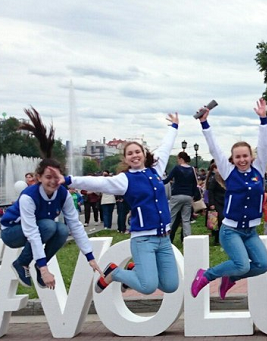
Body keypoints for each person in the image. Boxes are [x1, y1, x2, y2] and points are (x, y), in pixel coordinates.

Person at [66, 113, 181, 295]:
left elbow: (165, 147)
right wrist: (68, 180)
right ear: (126, 159)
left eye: (137, 152)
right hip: (143, 239)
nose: (135, 156)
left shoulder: (155, 170)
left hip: (164, 238)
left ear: (144, 154)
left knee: (171, 285)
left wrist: (174, 127)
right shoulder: (124, 179)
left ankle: (135, 269)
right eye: (130, 154)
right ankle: (116, 273)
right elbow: (97, 183)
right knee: (148, 287)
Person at [0, 108, 101, 289]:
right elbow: (32, 232)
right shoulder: (29, 197)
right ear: (38, 178)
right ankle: (21, 263)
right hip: (11, 232)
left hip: (37, 229)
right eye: (48, 177)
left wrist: (90, 257)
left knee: (62, 230)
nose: (52, 182)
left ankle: (39, 266)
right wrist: (45, 269)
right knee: (48, 226)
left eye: (56, 177)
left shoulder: (63, 194)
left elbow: (75, 225)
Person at [190, 98, 267, 300]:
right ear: (233, 159)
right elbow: (215, 148)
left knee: (263, 264)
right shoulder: (229, 172)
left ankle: (230, 278)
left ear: (251, 157)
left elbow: (265, 145)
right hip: (231, 230)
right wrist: (204, 123)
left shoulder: (258, 170)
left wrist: (263, 120)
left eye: (245, 156)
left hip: (250, 231)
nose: (242, 160)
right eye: (238, 157)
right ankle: (206, 275)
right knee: (242, 264)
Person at [164, 151, 198, 243]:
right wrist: (193, 195)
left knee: (171, 217)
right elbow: (195, 184)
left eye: (178, 159)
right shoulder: (192, 169)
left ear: (181, 159)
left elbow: (167, 180)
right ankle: (188, 240)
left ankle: (166, 238)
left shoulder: (177, 168)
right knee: (186, 220)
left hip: (177, 195)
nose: (177, 161)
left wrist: (158, 181)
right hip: (188, 196)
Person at [206, 163, 226, 245]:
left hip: (225, 202)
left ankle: (222, 238)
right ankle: (217, 238)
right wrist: (211, 203)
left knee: (223, 220)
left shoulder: (226, 178)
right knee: (218, 221)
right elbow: (210, 191)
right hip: (217, 202)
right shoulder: (215, 179)